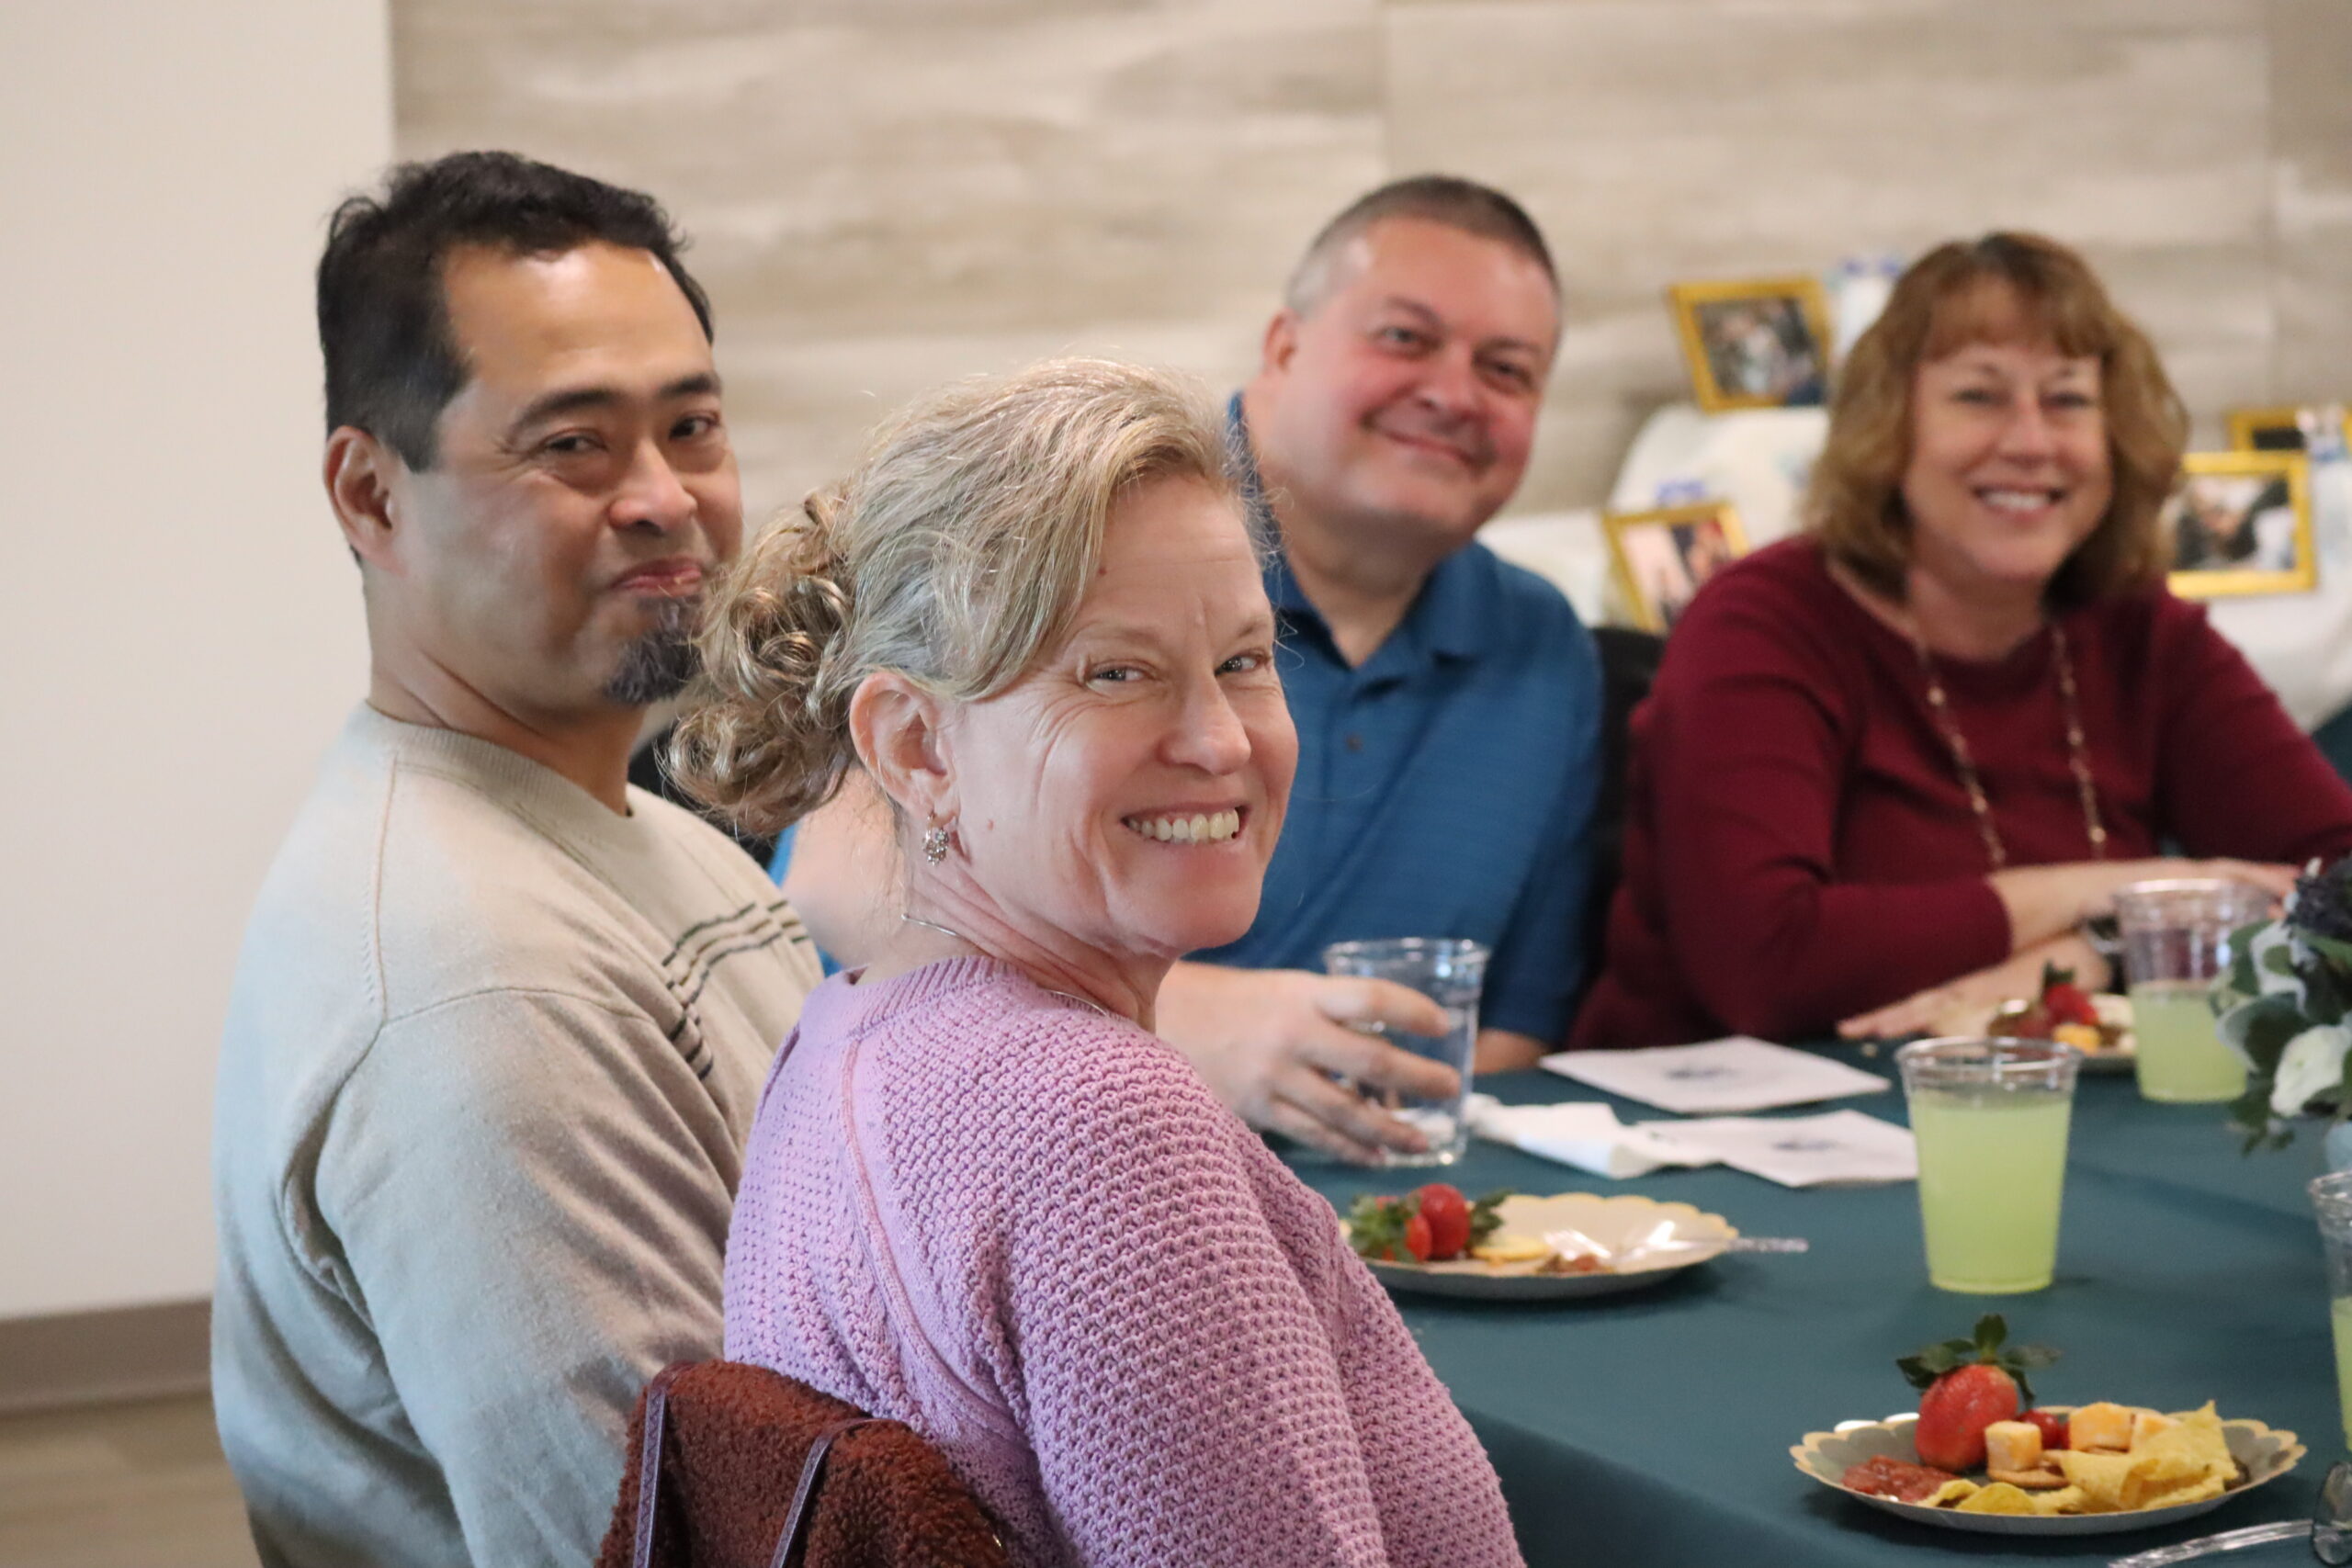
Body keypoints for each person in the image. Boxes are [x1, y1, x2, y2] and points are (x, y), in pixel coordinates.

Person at [673, 359, 1522, 1568]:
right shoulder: (1107, 1127)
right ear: (914, 746)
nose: (1220, 738)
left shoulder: (837, 1035)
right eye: (1115, 672)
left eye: (1242, 658)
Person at [210, 152, 821, 1568]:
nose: (667, 496)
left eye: (695, 424)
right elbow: (690, 1538)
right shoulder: (474, 991)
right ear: (370, 494)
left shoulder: (652, 830)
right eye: (574, 444)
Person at [782, 175, 1603, 1163]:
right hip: (1040, 1159)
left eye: (1506, 369)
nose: (1452, 394)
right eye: (1405, 339)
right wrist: (1182, 1028)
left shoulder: (1543, 644)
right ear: (1284, 347)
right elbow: (832, 880)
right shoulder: (1086, 517)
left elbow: (1513, 1027)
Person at [1574, 231, 2352, 1048]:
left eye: (2068, 399)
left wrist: (2101, 944)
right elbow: (1765, 964)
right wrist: (2116, 889)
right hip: (1707, 1129)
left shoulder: (2140, 629)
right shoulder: (1764, 621)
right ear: (1890, 426)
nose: (2029, 441)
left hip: (2048, 1107)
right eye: (1979, 396)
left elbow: (2337, 883)